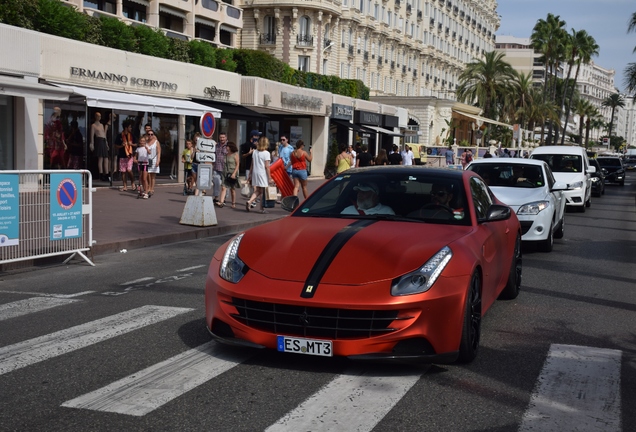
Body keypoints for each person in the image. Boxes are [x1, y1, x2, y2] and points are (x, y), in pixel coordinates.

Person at [246, 136, 273, 213]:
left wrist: (250, 174)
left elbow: (252, 164)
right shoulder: (266, 153)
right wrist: (270, 177)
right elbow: (267, 166)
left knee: (258, 190)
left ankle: (250, 201)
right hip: (262, 173)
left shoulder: (255, 152)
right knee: (263, 191)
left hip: (255, 172)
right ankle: (261, 208)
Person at [216, 141, 240, 209]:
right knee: (223, 187)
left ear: (230, 147)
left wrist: (234, 173)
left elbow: (237, 164)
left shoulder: (235, 154)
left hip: (232, 172)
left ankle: (233, 203)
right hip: (225, 172)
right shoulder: (226, 155)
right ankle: (221, 202)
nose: (226, 148)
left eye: (227, 146)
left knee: (232, 189)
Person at [115, 120, 136, 191]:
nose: (131, 128)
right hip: (122, 155)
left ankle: (133, 183)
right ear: (126, 128)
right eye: (130, 127)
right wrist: (121, 145)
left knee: (129, 170)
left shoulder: (132, 135)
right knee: (123, 171)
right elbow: (116, 146)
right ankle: (125, 186)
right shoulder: (119, 135)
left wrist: (131, 144)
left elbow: (136, 144)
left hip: (130, 155)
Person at [90, 111, 110, 181]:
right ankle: (101, 174)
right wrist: (91, 144)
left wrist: (106, 143)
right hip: (98, 140)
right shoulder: (93, 125)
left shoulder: (101, 125)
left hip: (103, 140)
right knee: (100, 158)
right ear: (95, 116)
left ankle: (107, 174)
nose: (99, 117)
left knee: (106, 158)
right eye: (98, 116)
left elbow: (104, 135)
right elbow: (92, 135)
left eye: (100, 116)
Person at [213, 132, 228, 204]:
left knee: (225, 184)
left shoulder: (229, 146)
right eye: (220, 137)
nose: (222, 139)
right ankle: (216, 198)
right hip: (216, 167)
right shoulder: (216, 145)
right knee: (216, 183)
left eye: (223, 137)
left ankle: (224, 198)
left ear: (226, 138)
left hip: (225, 168)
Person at [146, 128, 161, 197]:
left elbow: (159, 152)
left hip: (154, 159)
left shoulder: (156, 142)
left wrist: (158, 160)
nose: (150, 136)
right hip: (147, 160)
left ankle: (151, 189)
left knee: (153, 176)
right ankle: (148, 187)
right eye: (149, 134)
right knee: (147, 175)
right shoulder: (145, 142)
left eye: (151, 134)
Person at [134, 135, 150, 199]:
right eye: (141, 141)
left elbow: (149, 152)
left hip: (145, 164)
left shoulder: (147, 147)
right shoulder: (138, 149)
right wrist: (135, 160)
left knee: (144, 178)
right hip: (140, 163)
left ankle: (146, 192)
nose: (142, 142)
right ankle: (144, 190)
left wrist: (147, 149)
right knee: (141, 178)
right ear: (139, 142)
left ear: (145, 141)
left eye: (144, 141)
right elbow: (135, 156)